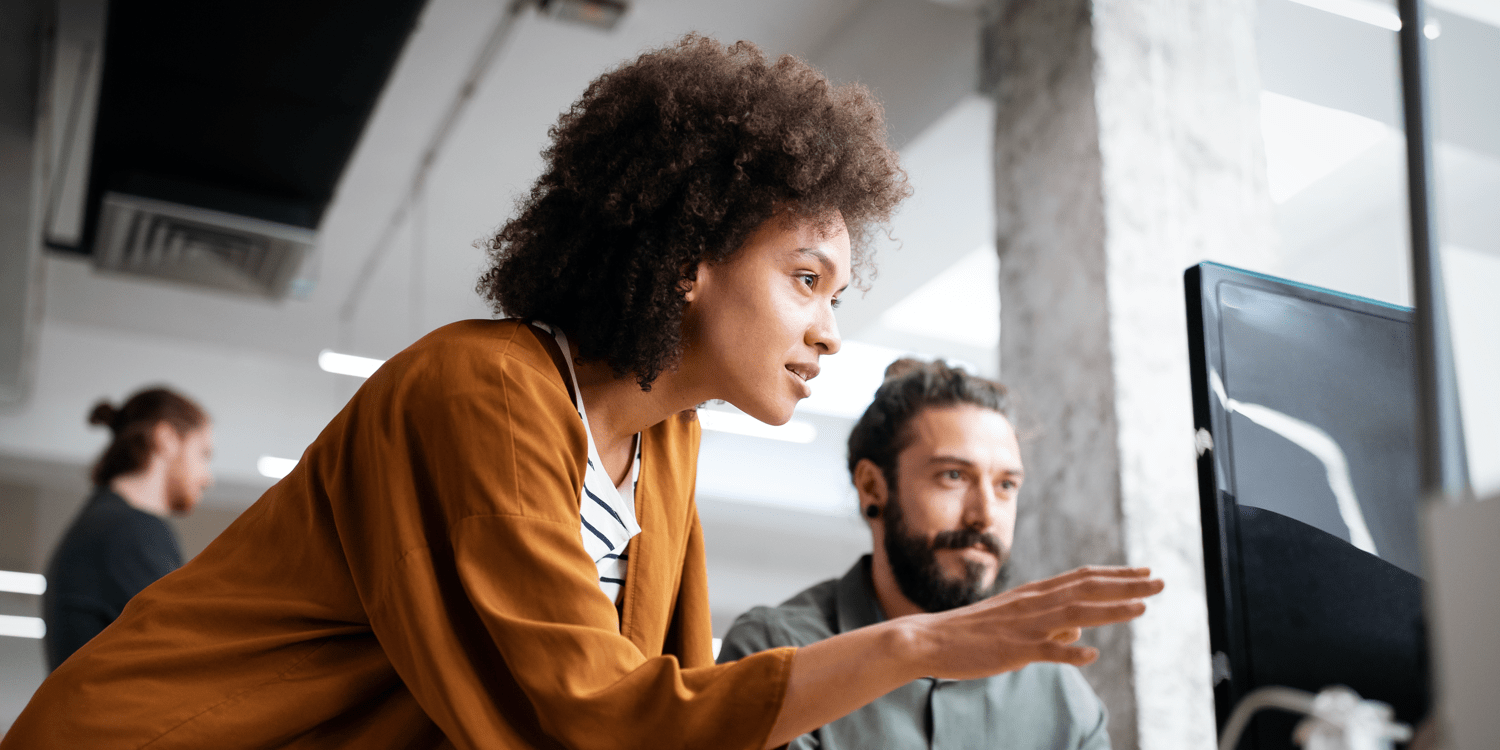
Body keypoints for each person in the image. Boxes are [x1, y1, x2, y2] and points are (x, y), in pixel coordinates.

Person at [3, 36, 1161, 750]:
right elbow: (600, 717)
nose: (827, 329)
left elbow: (670, 698)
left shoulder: (668, 446)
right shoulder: (484, 393)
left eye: (839, 293)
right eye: (805, 278)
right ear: (691, 254)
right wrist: (913, 648)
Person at [718, 359, 1111, 749]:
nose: (985, 515)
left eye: (1006, 485)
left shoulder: (1060, 691)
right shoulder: (774, 653)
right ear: (873, 487)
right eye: (953, 476)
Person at [42, 387, 215, 670]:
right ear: (166, 438)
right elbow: (184, 658)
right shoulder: (131, 530)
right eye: (203, 454)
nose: (208, 478)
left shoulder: (104, 523)